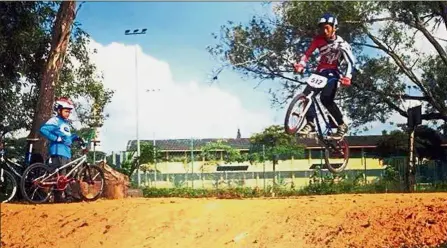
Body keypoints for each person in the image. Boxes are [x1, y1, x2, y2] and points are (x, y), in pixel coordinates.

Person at [294, 13, 356, 140]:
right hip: (319, 72)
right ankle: (310, 123)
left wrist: (347, 77)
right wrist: (301, 64)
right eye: (321, 28)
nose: (324, 30)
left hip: (333, 73)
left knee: (326, 99)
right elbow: (307, 54)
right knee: (307, 96)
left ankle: (341, 125)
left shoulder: (342, 44)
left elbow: (351, 62)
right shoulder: (318, 40)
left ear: (334, 28)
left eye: (327, 27)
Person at [39, 97, 84, 203]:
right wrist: (56, 138)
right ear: (59, 110)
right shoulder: (55, 120)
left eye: (69, 112)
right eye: (66, 111)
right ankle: (58, 197)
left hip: (67, 152)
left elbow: (67, 139)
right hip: (58, 151)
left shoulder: (66, 123)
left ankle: (69, 196)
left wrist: (76, 137)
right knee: (61, 175)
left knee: (68, 175)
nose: (68, 113)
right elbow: (43, 129)